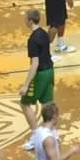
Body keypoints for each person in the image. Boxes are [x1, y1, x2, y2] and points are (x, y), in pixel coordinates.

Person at [19, 8, 55, 150]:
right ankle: (52, 135)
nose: (24, 21)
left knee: (24, 103)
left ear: (30, 21)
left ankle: (36, 137)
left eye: (25, 19)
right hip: (50, 71)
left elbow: (35, 63)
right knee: (48, 105)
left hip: (40, 74)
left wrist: (26, 85)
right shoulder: (43, 33)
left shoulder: (32, 40)